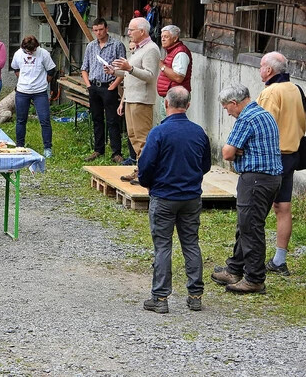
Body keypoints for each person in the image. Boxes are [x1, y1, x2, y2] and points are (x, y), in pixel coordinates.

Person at [137, 87, 211, 314]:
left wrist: (148, 183)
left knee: (162, 246)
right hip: (190, 197)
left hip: (164, 196)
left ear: (166, 104)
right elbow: (205, 165)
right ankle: (195, 295)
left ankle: (160, 298)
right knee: (191, 244)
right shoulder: (199, 132)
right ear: (187, 106)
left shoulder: (158, 133)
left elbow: (145, 166)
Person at [212, 84, 282, 294]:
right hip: (271, 179)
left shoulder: (246, 119)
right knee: (246, 224)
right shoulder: (264, 113)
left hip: (255, 180)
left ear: (234, 103)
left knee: (250, 228)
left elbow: (226, 152)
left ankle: (254, 278)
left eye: (227, 108)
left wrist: (237, 151)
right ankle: (234, 268)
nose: (228, 112)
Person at [256, 52, 306, 276]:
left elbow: (262, 127)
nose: (260, 70)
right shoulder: (295, 88)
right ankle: (279, 259)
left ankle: (248, 260)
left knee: (255, 209)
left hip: (272, 156)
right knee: (283, 207)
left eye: (261, 66)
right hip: (292, 153)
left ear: (269, 70)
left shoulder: (271, 92)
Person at [109, 17, 160, 184]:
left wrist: (129, 68)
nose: (129, 33)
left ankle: (146, 173)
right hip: (131, 97)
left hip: (142, 99)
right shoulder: (138, 49)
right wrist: (114, 72)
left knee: (142, 138)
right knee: (132, 136)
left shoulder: (151, 49)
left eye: (131, 30)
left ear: (142, 31)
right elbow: (129, 73)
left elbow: (150, 76)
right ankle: (140, 168)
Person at [81, 18, 126, 163]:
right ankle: (98, 149)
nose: (98, 33)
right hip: (94, 86)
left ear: (106, 29)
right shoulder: (91, 46)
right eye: (95, 30)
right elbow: (84, 68)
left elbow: (124, 68)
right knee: (97, 119)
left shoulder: (117, 45)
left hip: (109, 85)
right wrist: (88, 85)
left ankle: (116, 152)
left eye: (100, 29)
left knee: (113, 120)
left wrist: (115, 84)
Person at [10, 35, 54, 158]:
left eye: (32, 50)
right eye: (27, 51)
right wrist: (23, 80)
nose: (30, 53)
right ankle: (19, 146)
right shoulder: (18, 54)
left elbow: (51, 70)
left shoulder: (43, 53)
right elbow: (15, 68)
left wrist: (44, 83)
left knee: (45, 120)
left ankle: (47, 148)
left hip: (40, 92)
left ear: (36, 47)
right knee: (20, 120)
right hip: (22, 91)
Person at [157, 25, 192, 98]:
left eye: (166, 37)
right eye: (162, 37)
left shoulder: (181, 53)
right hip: (171, 95)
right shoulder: (172, 51)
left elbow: (178, 77)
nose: (163, 39)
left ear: (175, 38)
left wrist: (162, 66)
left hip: (177, 97)